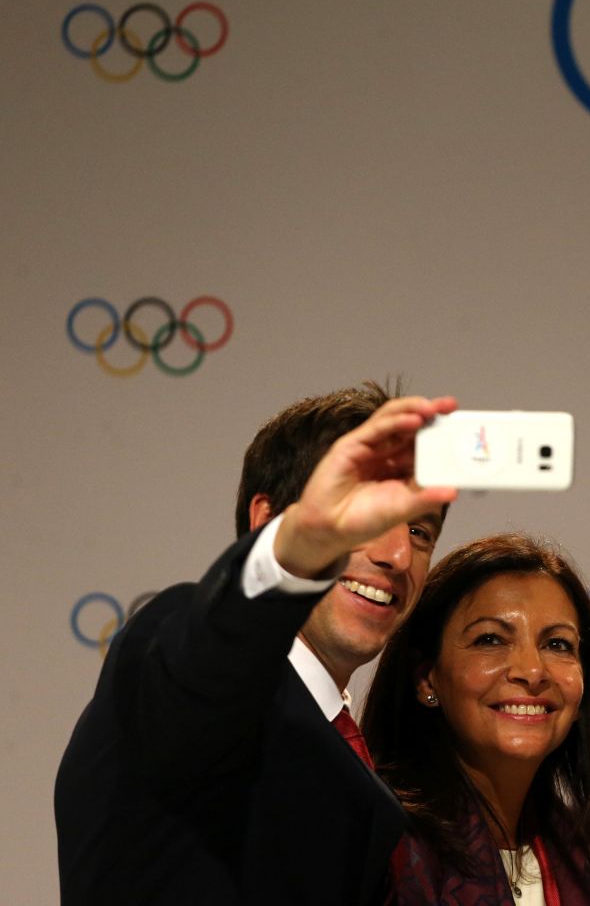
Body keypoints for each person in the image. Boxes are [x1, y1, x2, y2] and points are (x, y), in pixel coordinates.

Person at [55, 383, 458, 906]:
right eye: (365, 515)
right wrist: (293, 553)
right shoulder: (189, 654)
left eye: (420, 532)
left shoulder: (367, 779)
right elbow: (213, 661)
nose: (398, 555)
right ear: (267, 520)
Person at [364, 532, 590, 904]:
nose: (532, 671)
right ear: (426, 679)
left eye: (557, 644)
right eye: (490, 640)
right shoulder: (377, 844)